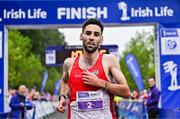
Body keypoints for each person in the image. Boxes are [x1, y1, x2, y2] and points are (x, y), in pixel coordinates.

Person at [57, 18, 130, 119]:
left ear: (101, 39)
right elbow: (65, 81)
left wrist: (101, 83)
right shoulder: (69, 63)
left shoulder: (109, 61)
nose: (91, 37)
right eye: (88, 33)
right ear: (81, 36)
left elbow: (126, 92)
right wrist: (62, 97)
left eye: (96, 34)